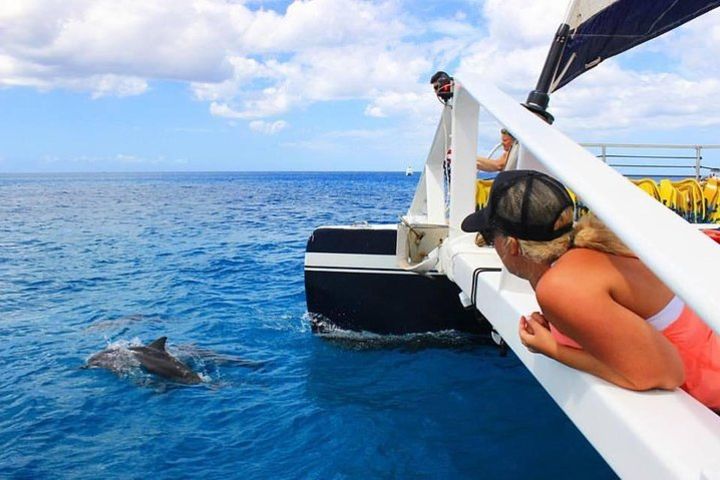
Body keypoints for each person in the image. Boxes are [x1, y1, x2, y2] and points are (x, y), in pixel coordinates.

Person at [461, 169, 720, 410]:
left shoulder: (560, 286)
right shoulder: (590, 248)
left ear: (511, 245)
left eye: (490, 236)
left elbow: (664, 372)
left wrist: (552, 348)